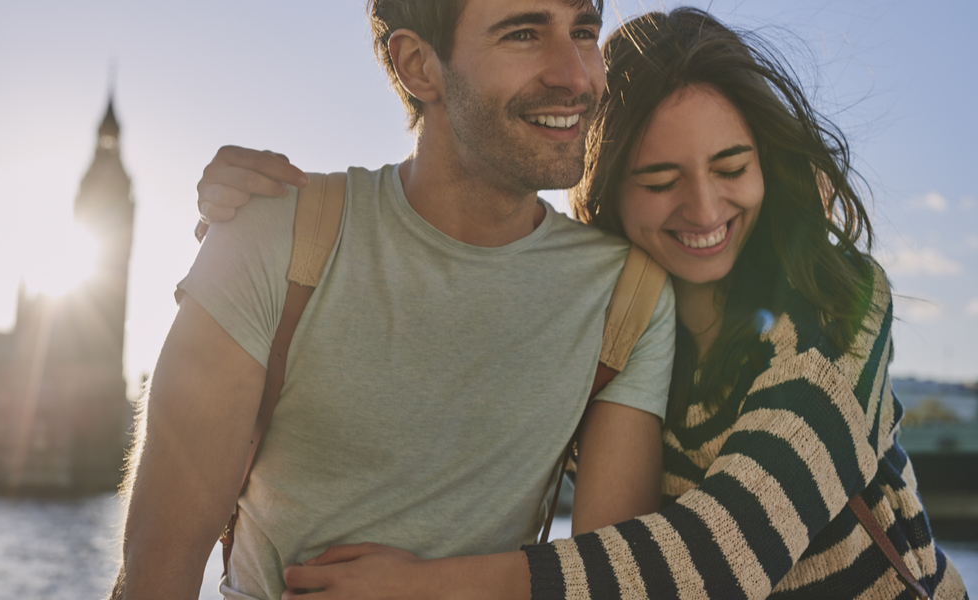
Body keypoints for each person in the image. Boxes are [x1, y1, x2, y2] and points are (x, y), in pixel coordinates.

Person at [198, 7, 969, 600]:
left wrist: (425, 585)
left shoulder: (840, 304)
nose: (704, 209)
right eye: (661, 181)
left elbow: (729, 553)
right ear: (608, 194)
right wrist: (259, 228)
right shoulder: (602, 318)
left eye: (732, 167)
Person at [111, 1, 678, 599]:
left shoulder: (627, 299)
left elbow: (609, 581)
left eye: (584, 31)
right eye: (523, 34)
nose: (576, 74)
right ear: (418, 65)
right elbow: (154, 577)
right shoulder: (274, 235)